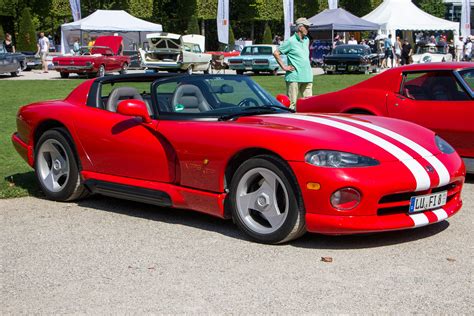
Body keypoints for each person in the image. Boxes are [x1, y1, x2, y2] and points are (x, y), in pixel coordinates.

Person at [273, 17, 313, 111]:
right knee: (291, 104)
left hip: (307, 76)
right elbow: (276, 53)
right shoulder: (290, 41)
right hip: (294, 76)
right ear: (300, 28)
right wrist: (284, 67)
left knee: (309, 103)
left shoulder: (307, 39)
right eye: (306, 27)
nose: (308, 29)